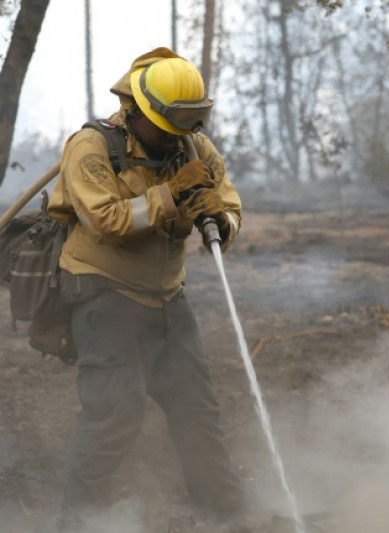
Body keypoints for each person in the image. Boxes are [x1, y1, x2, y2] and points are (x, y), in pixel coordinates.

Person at [48, 47, 245, 529]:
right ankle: (78, 523)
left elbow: (231, 204)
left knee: (197, 409)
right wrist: (173, 194)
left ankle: (227, 516)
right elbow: (107, 219)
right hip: (102, 290)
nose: (179, 138)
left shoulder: (192, 146)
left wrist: (219, 218)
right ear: (136, 111)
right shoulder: (92, 147)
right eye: (168, 126)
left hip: (166, 294)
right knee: (114, 413)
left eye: (188, 126)